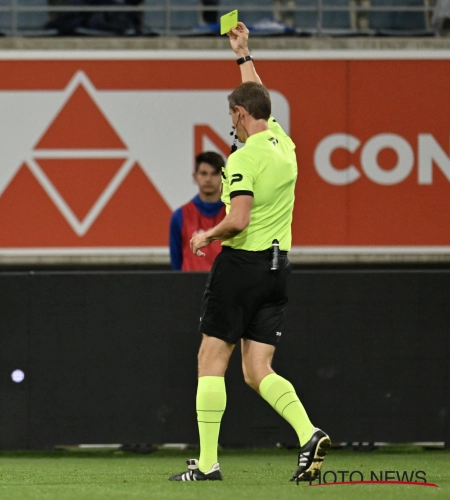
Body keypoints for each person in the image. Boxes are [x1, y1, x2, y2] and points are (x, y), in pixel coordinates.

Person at [169, 23, 330, 483]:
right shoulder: (283, 142)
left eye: (232, 115)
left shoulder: (240, 160)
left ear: (239, 114)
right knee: (259, 370)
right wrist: (244, 54)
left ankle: (206, 464)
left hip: (241, 266)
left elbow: (238, 218)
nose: (231, 124)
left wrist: (206, 236)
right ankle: (308, 432)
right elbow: (260, 96)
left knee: (210, 360)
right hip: (278, 269)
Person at [169, 152, 225, 271]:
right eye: (204, 173)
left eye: (214, 174)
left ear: (223, 176)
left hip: (226, 287)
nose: (209, 179)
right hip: (190, 287)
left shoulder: (234, 215)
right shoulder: (180, 216)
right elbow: (176, 264)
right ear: (195, 176)